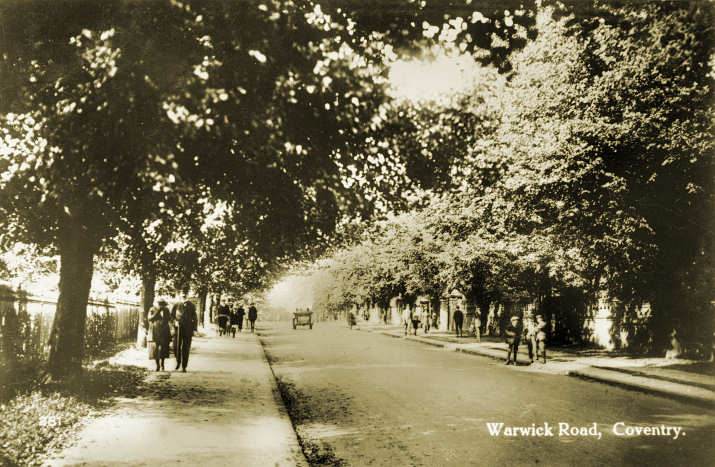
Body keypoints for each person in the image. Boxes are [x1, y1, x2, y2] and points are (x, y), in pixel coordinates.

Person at [173, 299, 198, 372]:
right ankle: (178, 361)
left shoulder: (191, 305)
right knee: (176, 346)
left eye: (185, 292)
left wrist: (194, 329)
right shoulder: (177, 304)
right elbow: (172, 316)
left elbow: (195, 317)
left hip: (188, 329)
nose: (184, 294)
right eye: (182, 292)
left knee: (186, 347)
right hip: (178, 329)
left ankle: (184, 366)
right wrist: (175, 322)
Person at [148, 299, 171, 371]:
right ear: (157, 304)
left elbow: (169, 319)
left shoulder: (166, 310)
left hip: (164, 331)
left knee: (164, 348)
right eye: (160, 304)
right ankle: (157, 365)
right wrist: (157, 312)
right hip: (156, 331)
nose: (161, 306)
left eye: (163, 304)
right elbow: (150, 318)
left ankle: (162, 364)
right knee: (156, 348)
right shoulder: (152, 309)